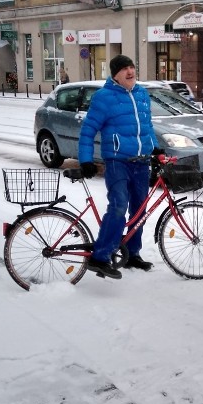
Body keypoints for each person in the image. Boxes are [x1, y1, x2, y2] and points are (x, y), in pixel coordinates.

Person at [78, 55, 160, 280]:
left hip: (141, 162)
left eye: (132, 66)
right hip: (117, 162)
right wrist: (85, 160)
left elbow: (147, 126)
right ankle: (100, 256)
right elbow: (88, 130)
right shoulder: (104, 97)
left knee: (139, 210)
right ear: (115, 74)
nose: (130, 71)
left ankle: (133, 254)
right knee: (118, 205)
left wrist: (156, 148)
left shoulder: (141, 94)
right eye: (124, 68)